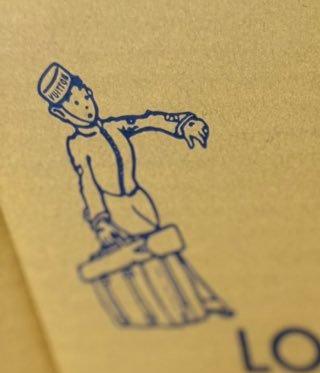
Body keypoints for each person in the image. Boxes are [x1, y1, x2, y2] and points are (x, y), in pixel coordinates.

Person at [38, 62, 232, 326]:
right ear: (62, 113)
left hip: (139, 201)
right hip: (117, 208)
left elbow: (148, 121)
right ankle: (189, 305)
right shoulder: (79, 144)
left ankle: (196, 300)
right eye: (74, 103)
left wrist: (182, 124)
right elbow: (88, 184)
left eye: (83, 95)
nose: (85, 105)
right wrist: (101, 221)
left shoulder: (114, 127)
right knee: (155, 254)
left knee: (165, 248)